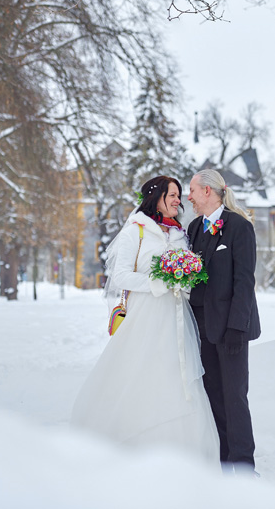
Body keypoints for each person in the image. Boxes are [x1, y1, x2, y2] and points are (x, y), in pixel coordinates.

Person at [70, 176, 219, 465]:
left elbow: (187, 277)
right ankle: (131, 444)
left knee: (177, 377)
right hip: (144, 316)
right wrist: (158, 282)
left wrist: (183, 282)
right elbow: (120, 276)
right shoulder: (135, 231)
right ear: (156, 198)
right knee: (141, 373)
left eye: (179, 195)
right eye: (173, 195)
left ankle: (181, 453)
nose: (179, 200)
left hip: (177, 318)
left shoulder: (181, 234)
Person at [187, 169, 261, 474]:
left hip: (231, 329)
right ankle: (222, 461)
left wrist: (236, 328)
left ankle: (243, 466)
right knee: (213, 396)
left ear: (208, 191)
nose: (188, 197)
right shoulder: (193, 228)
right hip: (201, 327)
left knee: (234, 397)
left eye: (191, 190)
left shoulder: (239, 227)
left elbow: (244, 282)